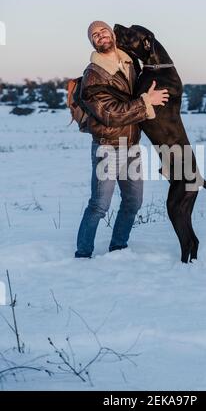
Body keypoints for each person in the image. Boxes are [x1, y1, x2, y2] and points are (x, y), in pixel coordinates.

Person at [75, 21, 169, 258]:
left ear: (112, 35)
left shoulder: (129, 63)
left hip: (132, 147)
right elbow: (110, 113)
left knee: (133, 202)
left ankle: (118, 248)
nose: (100, 35)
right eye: (95, 35)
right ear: (92, 42)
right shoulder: (93, 75)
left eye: (103, 30)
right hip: (107, 147)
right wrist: (147, 102)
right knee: (99, 205)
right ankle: (83, 253)